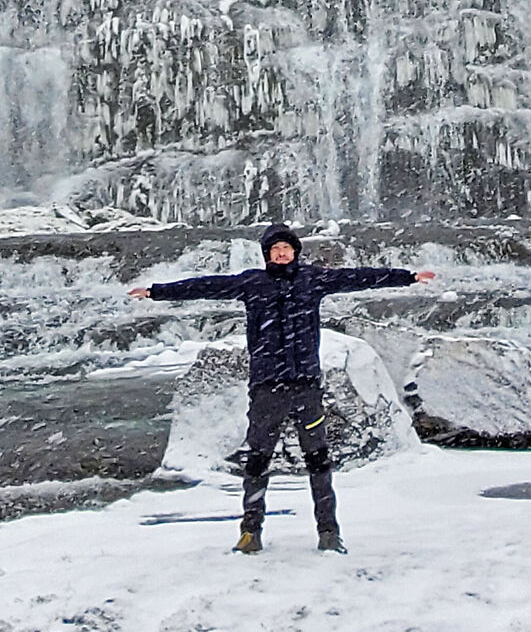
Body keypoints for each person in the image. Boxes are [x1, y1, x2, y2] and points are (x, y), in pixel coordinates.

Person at [130, 223, 434, 553]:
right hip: (266, 388)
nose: (281, 253)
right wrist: (156, 291)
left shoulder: (312, 279)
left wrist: (408, 277)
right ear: (266, 256)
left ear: (295, 252)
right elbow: (205, 286)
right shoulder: (252, 283)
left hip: (306, 387)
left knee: (318, 460)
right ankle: (250, 533)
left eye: (286, 248)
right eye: (275, 250)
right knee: (258, 460)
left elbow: (358, 278)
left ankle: (329, 533)